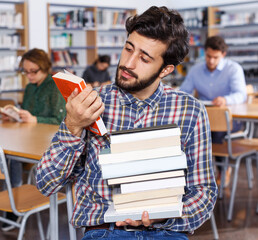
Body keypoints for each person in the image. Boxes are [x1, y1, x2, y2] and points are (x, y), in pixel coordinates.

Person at [36, 6, 217, 240]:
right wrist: (73, 126)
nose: (128, 63)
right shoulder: (89, 103)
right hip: (105, 231)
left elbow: (204, 193)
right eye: (128, 49)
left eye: (144, 58)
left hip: (167, 231)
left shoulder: (190, 111)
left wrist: (165, 216)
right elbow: (45, 183)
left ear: (166, 69)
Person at [0, 48, 66, 231]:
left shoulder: (55, 85)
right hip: (28, 137)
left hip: (48, 142)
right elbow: (26, 114)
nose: (29, 76)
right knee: (7, 152)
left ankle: (15, 199)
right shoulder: (29, 88)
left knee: (12, 156)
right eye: (25, 71)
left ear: (44, 67)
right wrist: (15, 116)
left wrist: (35, 119)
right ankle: (13, 198)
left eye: (33, 71)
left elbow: (60, 121)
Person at [179, 35, 247, 186]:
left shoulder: (233, 69)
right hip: (206, 118)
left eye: (215, 57)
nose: (211, 61)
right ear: (205, 52)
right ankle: (194, 174)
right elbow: (184, 91)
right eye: (208, 56)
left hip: (230, 120)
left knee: (215, 130)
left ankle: (221, 170)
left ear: (223, 55)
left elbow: (241, 95)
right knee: (187, 132)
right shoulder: (196, 70)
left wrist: (225, 99)